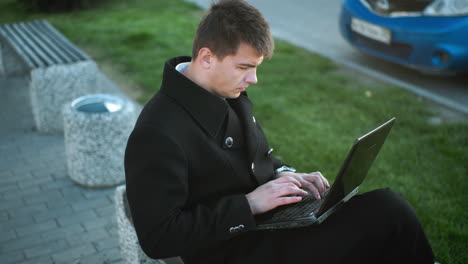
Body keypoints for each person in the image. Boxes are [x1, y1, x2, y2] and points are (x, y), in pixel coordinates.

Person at [124, 0, 435, 263]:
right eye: (245, 67)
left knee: (384, 216)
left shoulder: (225, 91)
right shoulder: (156, 133)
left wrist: (285, 175)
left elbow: (257, 157)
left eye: (256, 68)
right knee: (389, 214)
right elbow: (158, 238)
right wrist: (249, 204)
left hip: (270, 226)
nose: (254, 79)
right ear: (207, 57)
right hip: (234, 249)